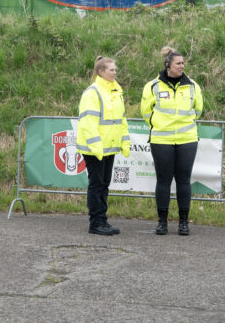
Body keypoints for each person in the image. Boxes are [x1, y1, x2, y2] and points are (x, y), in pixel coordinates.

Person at [140, 46, 203, 236]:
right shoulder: (153, 86)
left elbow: (198, 109)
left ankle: (184, 223)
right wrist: (158, 124)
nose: (182, 66)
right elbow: (145, 111)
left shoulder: (192, 85)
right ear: (168, 65)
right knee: (163, 181)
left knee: (184, 181)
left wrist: (185, 125)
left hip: (187, 139)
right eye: (178, 63)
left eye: (183, 63)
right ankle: (162, 222)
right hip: (161, 139)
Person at [76, 56, 131, 235]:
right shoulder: (93, 92)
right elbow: (88, 122)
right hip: (95, 149)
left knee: (104, 184)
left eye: (115, 69)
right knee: (96, 184)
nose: (115, 73)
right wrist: (96, 147)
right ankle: (95, 223)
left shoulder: (115, 91)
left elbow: (121, 121)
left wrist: (124, 141)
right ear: (101, 72)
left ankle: (103, 221)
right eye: (111, 70)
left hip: (109, 147)